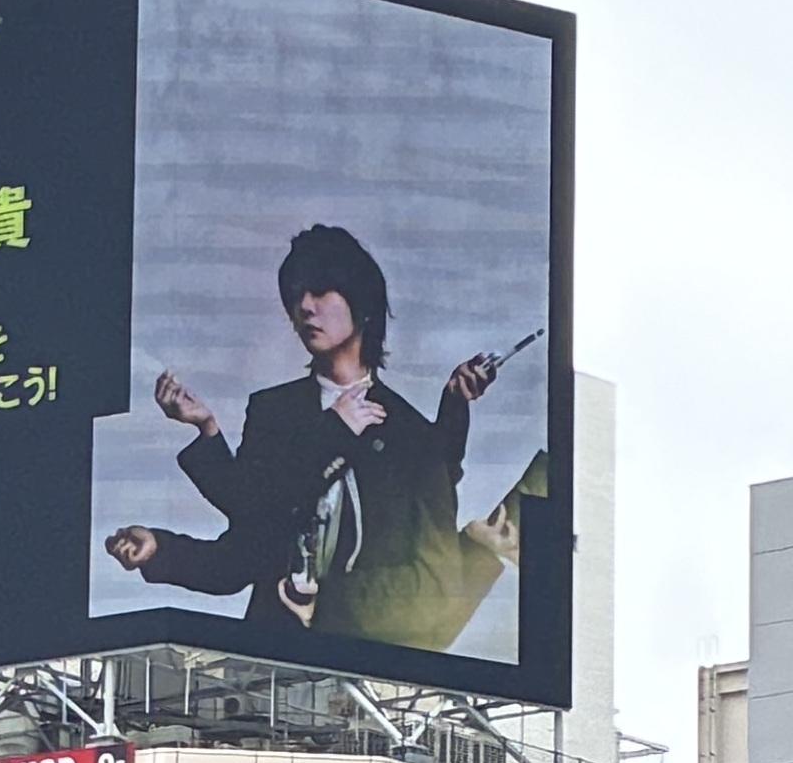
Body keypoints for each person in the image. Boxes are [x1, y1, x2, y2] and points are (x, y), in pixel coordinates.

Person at [104, 224, 510, 651]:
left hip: (368, 670)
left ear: (363, 303)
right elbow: (248, 547)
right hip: (269, 670)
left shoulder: (409, 432)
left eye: (320, 291)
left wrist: (452, 407)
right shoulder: (273, 411)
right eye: (296, 296)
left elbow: (433, 566)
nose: (305, 307)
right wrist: (160, 550)